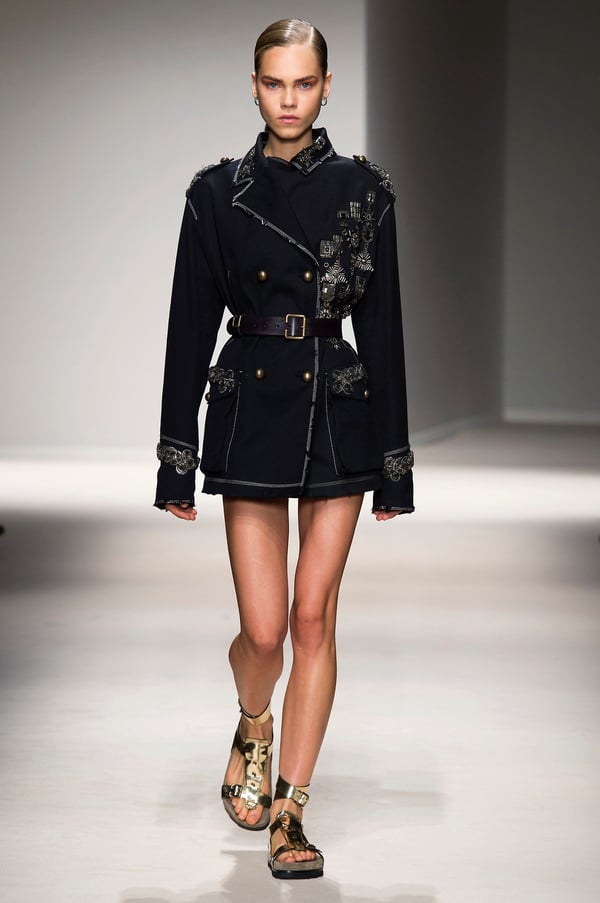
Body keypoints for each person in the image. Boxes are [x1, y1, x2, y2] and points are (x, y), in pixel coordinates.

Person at [154, 18, 414, 880]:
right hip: (252, 410)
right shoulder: (215, 195)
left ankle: (291, 809)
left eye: (304, 83)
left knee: (311, 618)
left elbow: (384, 331)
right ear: (255, 85)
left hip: (336, 410)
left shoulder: (364, 193)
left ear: (327, 85)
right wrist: (176, 453)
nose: (290, 100)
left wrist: (395, 463)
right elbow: (189, 327)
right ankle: (253, 719)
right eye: (275, 83)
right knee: (263, 633)